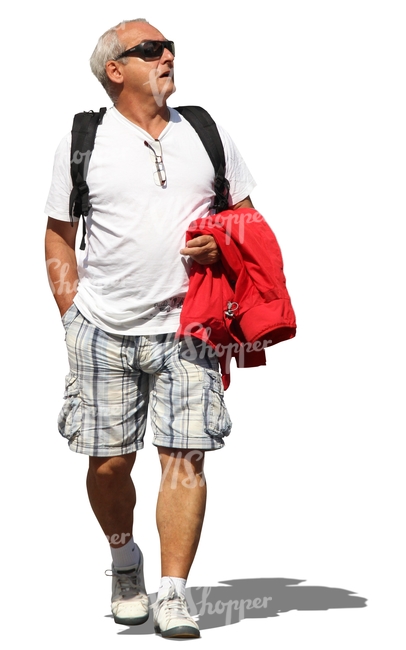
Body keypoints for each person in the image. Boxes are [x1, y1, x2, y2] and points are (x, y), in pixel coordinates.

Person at [45, 18, 256, 639]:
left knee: (185, 458)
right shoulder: (83, 140)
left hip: (189, 328)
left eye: (170, 49)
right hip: (102, 329)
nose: (168, 56)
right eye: (151, 50)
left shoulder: (206, 132)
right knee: (108, 463)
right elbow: (58, 236)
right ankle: (123, 560)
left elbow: (247, 219)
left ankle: (172, 591)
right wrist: (70, 316)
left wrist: (223, 247)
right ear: (116, 69)